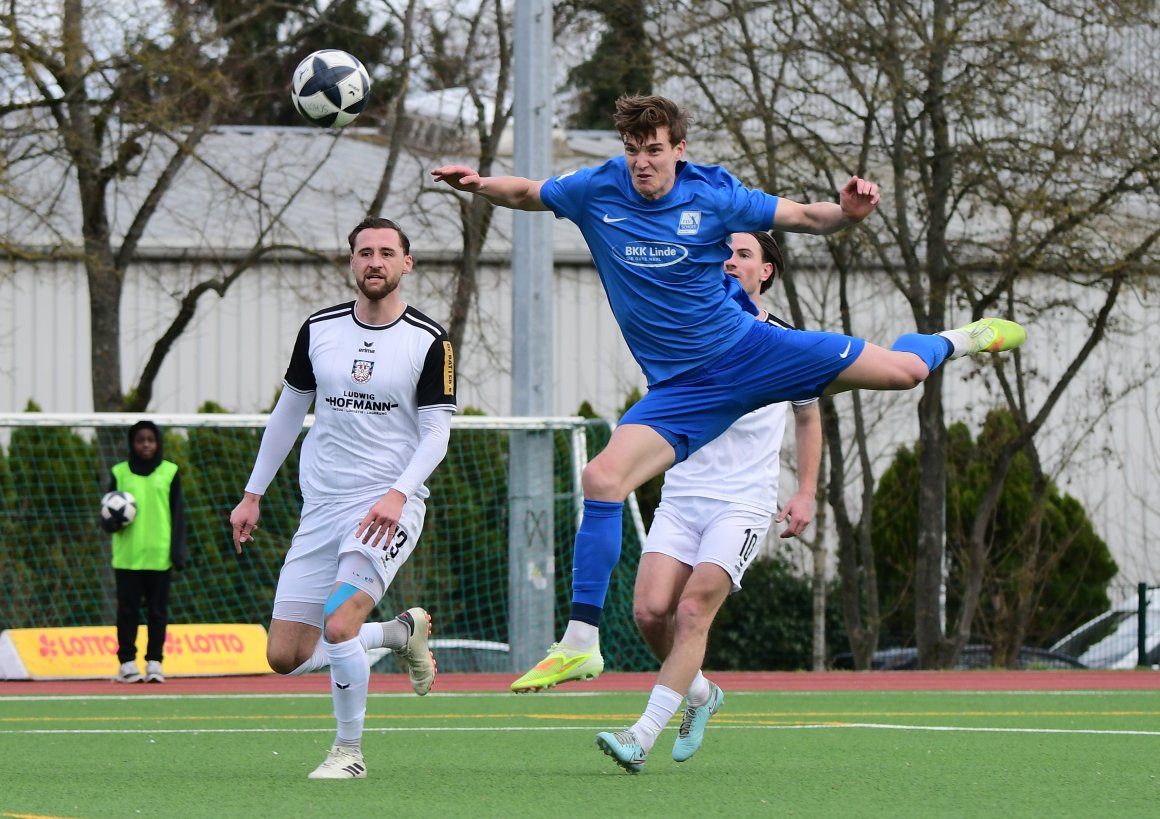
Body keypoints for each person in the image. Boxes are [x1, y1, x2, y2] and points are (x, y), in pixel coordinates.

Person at [431, 94, 1025, 693]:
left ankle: (954, 339)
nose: (642, 163)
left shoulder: (714, 194)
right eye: (633, 151)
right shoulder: (597, 189)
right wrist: (480, 184)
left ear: (679, 150)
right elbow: (529, 193)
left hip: (751, 353)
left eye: (654, 151)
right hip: (683, 391)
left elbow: (808, 219)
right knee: (602, 480)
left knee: (904, 373)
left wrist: (847, 212)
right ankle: (582, 643)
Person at [229, 216, 456, 780]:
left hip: (387, 506)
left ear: (407, 263)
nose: (374, 261)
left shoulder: (431, 341)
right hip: (321, 506)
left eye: (386, 252)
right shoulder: (319, 329)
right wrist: (252, 494)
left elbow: (436, 434)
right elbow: (287, 414)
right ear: (351, 263)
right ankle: (397, 634)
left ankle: (348, 752)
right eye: (363, 253)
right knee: (285, 656)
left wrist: (398, 495)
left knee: (337, 621)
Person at [596, 231, 819, 772]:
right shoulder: (686, 335)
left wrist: (807, 490)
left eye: (744, 254)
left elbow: (809, 416)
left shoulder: (786, 344)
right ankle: (698, 693)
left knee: (693, 611)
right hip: (682, 496)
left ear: (765, 272)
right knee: (650, 613)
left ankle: (641, 737)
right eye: (725, 252)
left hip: (741, 504)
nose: (730, 261)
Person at [104, 420, 187, 684]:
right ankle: (127, 663)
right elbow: (107, 515)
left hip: (159, 556)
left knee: (157, 612)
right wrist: (110, 522)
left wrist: (178, 552)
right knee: (127, 611)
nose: (146, 445)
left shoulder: (170, 472)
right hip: (127, 557)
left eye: (150, 440)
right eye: (140, 440)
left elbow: (178, 514)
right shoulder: (119, 473)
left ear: (158, 442)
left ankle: (155, 662)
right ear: (132, 443)